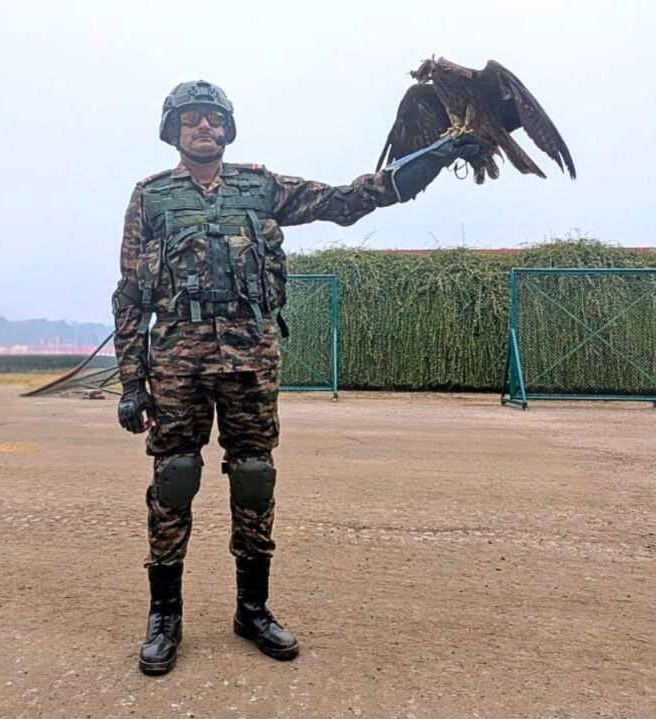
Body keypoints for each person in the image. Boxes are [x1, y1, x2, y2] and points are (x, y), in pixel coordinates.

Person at [113, 80, 478, 675]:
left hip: (251, 359)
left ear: (227, 129)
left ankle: (252, 610)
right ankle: (165, 616)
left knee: (254, 477)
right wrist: (132, 382)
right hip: (178, 361)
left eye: (213, 118)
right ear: (173, 130)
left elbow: (346, 201)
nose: (203, 127)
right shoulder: (150, 197)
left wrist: (431, 159)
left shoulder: (261, 187)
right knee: (175, 477)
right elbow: (130, 295)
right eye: (192, 118)